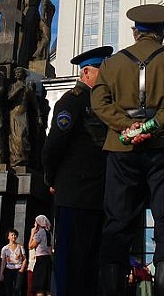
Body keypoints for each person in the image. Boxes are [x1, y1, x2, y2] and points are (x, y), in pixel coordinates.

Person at [91, 4, 164, 296]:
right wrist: (151, 126)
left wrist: (128, 126)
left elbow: (99, 101)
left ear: (135, 32)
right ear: (162, 32)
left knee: (117, 218)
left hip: (122, 148)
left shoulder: (111, 64)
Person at [42, 45, 112, 296]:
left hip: (97, 196)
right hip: (74, 194)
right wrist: (51, 177)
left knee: (90, 266)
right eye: (102, 71)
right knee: (70, 265)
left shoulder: (104, 104)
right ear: (86, 73)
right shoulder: (72, 101)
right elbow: (54, 144)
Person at [28, 216, 52, 296]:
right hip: (48, 259)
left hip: (41, 260)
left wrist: (32, 234)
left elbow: (30, 246)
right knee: (47, 287)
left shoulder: (40, 233)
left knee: (40, 287)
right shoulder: (49, 233)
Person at [0, 230, 26, 296]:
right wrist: (1, 273)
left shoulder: (20, 247)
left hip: (18, 269)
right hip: (9, 269)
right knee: (9, 289)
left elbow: (24, 259)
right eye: (12, 235)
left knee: (17, 288)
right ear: (8, 237)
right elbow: (3, 262)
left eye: (15, 235)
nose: (14, 236)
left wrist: (21, 269)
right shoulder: (5, 248)